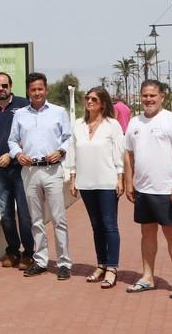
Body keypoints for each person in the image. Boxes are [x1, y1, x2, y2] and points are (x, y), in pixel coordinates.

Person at [124, 79, 172, 299]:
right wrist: (129, 181)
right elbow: (128, 154)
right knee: (147, 234)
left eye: (152, 95)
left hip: (167, 190)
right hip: (143, 190)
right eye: (145, 95)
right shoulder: (134, 123)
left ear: (162, 96)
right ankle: (147, 277)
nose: (148, 99)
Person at [7, 72, 72, 280]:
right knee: (36, 220)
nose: (37, 93)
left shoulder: (58, 112)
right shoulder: (20, 114)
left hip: (52, 170)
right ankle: (41, 260)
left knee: (58, 219)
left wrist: (61, 151)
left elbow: (69, 138)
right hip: (30, 171)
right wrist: (18, 154)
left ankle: (63, 263)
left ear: (46, 89)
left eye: (40, 89)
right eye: (33, 89)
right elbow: (12, 140)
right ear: (28, 91)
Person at [68, 86, 124, 289]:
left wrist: (120, 178)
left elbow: (119, 154)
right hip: (86, 183)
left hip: (107, 182)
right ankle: (101, 264)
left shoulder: (113, 125)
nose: (89, 101)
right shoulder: (78, 125)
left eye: (94, 99)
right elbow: (72, 152)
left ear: (103, 103)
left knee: (110, 225)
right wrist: (73, 177)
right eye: (87, 98)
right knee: (96, 226)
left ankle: (112, 267)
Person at [0, 72, 33, 269]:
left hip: (19, 168)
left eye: (4, 85)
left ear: (10, 85)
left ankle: (29, 253)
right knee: (6, 212)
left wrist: (11, 155)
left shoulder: (23, 105)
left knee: (25, 213)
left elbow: (28, 135)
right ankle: (13, 251)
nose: (0, 89)